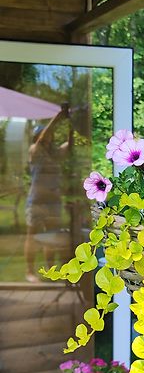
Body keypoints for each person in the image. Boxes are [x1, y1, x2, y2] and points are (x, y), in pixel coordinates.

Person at [24, 104, 71, 283]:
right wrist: (59, 117)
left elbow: (70, 145)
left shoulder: (55, 153)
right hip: (37, 201)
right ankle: (29, 271)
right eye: (44, 134)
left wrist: (72, 124)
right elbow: (42, 139)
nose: (48, 136)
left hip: (53, 201)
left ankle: (49, 273)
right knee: (32, 235)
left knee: (51, 237)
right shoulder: (34, 150)